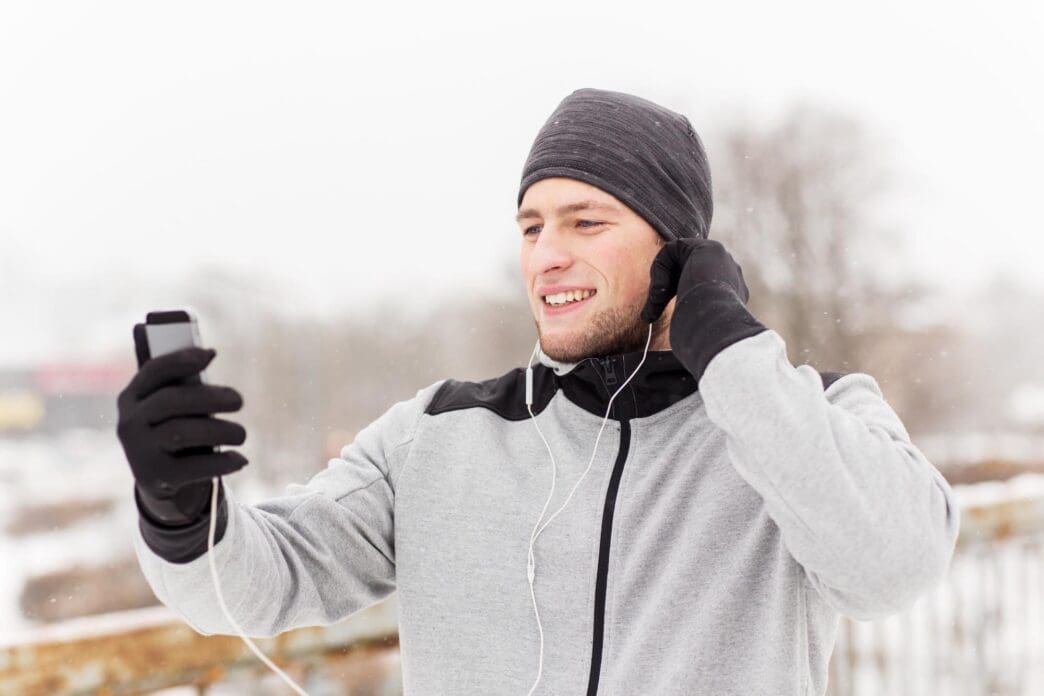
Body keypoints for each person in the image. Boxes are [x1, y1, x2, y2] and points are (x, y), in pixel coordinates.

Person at [117, 87, 960, 696]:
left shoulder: (804, 419)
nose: (546, 254)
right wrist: (179, 505)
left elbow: (894, 569)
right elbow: (252, 589)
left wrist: (735, 358)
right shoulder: (439, 434)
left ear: (681, 255)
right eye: (531, 226)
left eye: (586, 221)